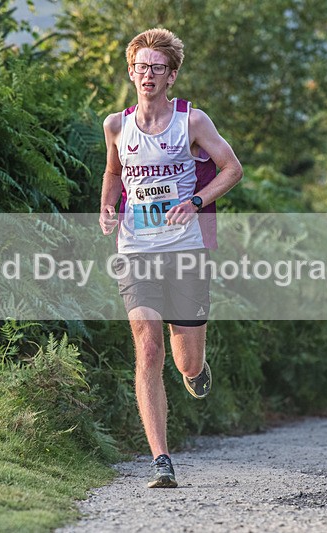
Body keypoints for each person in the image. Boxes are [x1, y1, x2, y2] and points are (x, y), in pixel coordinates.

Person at [99, 28, 243, 488]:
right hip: (135, 247)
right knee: (147, 347)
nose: (147, 75)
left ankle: (197, 371)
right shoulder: (116, 126)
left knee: (185, 362)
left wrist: (197, 202)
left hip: (185, 249)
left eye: (157, 68)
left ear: (171, 75)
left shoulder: (192, 122)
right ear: (131, 72)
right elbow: (114, 171)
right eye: (141, 67)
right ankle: (161, 459)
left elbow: (232, 168)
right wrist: (107, 206)